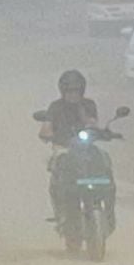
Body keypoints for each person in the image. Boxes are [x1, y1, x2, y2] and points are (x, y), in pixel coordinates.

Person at [39, 70, 99, 223]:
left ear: (82, 90)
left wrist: (88, 121)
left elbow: (93, 123)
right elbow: (46, 126)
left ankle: (104, 200)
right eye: (69, 91)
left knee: (102, 159)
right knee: (58, 165)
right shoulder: (55, 107)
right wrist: (47, 134)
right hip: (62, 146)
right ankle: (61, 211)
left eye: (76, 91)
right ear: (63, 91)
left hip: (85, 147)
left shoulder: (88, 105)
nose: (73, 94)